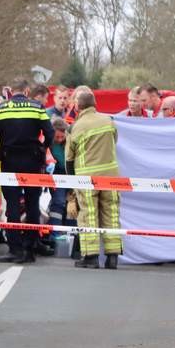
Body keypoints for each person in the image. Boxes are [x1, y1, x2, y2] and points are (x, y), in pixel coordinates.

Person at [0, 78, 53, 264]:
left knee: (12, 206)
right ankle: (30, 249)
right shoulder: (37, 108)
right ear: (27, 90)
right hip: (32, 162)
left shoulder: (0, 110)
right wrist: (42, 150)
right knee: (32, 205)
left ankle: (15, 249)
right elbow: (51, 133)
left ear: (10, 91)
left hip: (9, 161)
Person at [67, 88, 122, 269]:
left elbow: (69, 158)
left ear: (77, 106)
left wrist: (71, 183)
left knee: (88, 216)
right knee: (111, 214)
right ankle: (112, 257)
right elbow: (115, 141)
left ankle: (90, 257)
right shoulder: (109, 121)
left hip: (87, 179)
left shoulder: (76, 126)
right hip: (111, 177)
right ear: (95, 104)